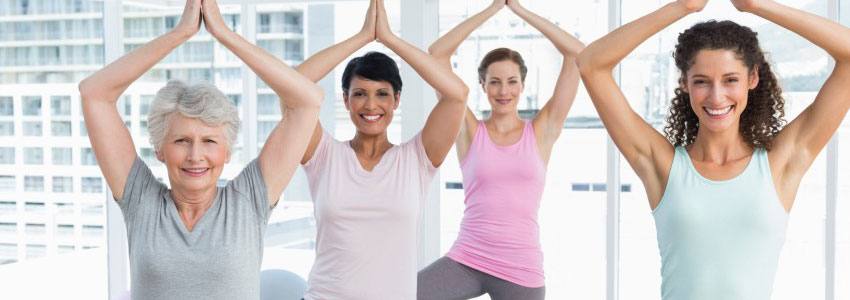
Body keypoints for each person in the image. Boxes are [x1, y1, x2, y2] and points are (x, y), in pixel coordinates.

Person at [577, 0, 850, 298]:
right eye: (702, 82)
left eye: (730, 80)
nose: (716, 97)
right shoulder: (664, 166)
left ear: (753, 78)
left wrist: (757, 6)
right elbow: (591, 64)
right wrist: (682, 7)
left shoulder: (780, 164)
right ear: (684, 83)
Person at [77, 0, 323, 298]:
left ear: (227, 151)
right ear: (160, 149)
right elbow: (94, 93)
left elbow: (307, 100)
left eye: (209, 141)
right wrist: (180, 33)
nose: (196, 155)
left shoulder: (248, 200)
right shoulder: (142, 202)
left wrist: (223, 32)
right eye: (181, 141)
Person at [294, 0, 469, 299]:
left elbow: (457, 95)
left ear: (396, 100)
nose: (371, 105)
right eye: (360, 94)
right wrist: (362, 36)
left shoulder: (416, 159)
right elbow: (296, 82)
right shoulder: (323, 154)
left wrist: (389, 38)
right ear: (346, 100)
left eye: (382, 94)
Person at [417, 1, 584, 299]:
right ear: (482, 85)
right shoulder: (467, 129)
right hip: (467, 258)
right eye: (494, 82)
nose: (503, 91)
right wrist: (494, 9)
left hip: (521, 267)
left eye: (511, 82)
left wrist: (518, 10)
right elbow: (438, 54)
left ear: (522, 85)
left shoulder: (542, 131)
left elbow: (576, 53)